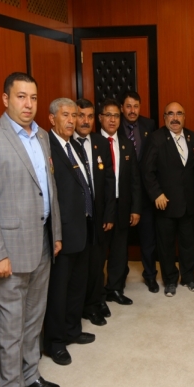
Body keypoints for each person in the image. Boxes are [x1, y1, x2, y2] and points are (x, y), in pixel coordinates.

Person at [0, 72, 62, 387]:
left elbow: (49, 188)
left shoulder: (43, 136)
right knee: (10, 326)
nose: (28, 104)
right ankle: (11, 386)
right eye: (21, 97)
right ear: (6, 99)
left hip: (42, 244)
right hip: (8, 252)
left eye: (33, 98)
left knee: (34, 319)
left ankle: (30, 376)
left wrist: (56, 233)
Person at [44, 98, 96, 366]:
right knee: (59, 290)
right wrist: (56, 234)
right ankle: (55, 342)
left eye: (74, 115)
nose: (71, 121)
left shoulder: (74, 144)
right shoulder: (47, 147)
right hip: (62, 232)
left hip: (82, 227)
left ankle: (72, 330)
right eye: (65, 115)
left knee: (77, 285)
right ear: (52, 118)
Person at [142, 102, 194, 297]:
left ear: (184, 117)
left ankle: (189, 277)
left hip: (187, 202)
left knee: (188, 243)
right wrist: (156, 194)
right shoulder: (156, 138)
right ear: (164, 117)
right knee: (166, 245)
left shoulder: (193, 138)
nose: (175, 118)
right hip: (165, 203)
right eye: (170, 114)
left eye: (179, 114)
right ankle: (169, 280)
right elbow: (147, 171)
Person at [74, 98, 116, 327]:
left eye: (90, 116)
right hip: (77, 217)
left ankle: (95, 301)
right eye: (81, 115)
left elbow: (109, 181)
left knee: (98, 261)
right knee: (82, 265)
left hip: (99, 215)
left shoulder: (100, 142)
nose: (85, 121)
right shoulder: (67, 143)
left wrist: (109, 214)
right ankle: (85, 305)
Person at [99, 98, 142, 305]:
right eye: (108, 115)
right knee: (99, 252)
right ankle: (96, 294)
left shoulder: (126, 143)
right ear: (100, 118)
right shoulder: (92, 142)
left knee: (119, 250)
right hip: (100, 208)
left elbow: (134, 179)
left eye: (116, 115)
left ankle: (115, 289)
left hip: (122, 206)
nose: (112, 120)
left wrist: (136, 208)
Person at [118, 91, 159, 293]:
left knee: (148, 238)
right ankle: (120, 275)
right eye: (128, 106)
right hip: (122, 193)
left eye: (136, 106)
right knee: (121, 240)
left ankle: (150, 275)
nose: (132, 110)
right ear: (121, 108)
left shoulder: (149, 125)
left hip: (145, 193)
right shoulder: (114, 126)